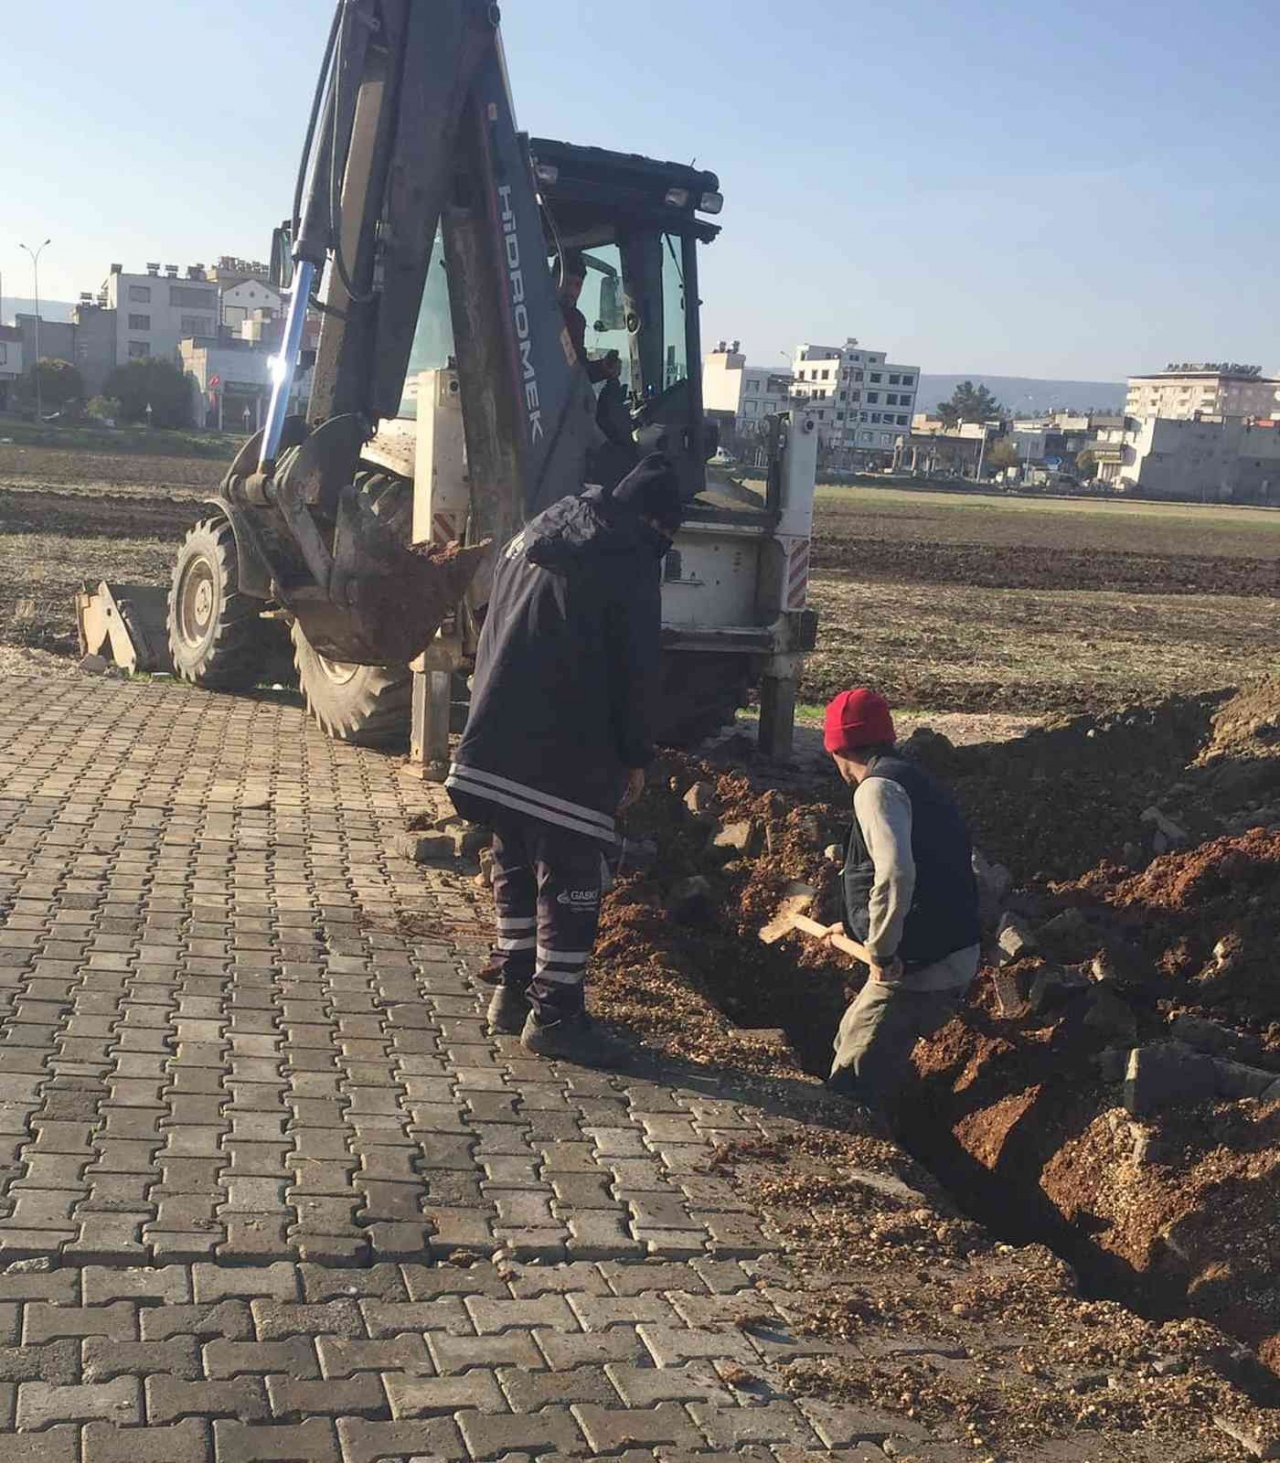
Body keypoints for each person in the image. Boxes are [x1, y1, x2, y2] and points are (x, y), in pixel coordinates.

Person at [446, 454, 683, 1064]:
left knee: (515, 858)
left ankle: (511, 992)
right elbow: (636, 670)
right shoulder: (627, 558)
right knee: (572, 876)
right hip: (564, 750)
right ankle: (556, 1015)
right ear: (656, 524)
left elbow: (491, 620)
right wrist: (634, 755)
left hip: (493, 736)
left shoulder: (540, 530)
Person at [822, 688, 981, 1117]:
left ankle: (860, 1161)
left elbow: (896, 874)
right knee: (847, 1037)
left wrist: (881, 949)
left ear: (836, 748)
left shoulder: (876, 791)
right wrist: (855, 927)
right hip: (947, 950)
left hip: (919, 968)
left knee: (851, 1078)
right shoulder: (911, 778)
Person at [558, 250, 621, 384]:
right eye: (567, 283)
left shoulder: (576, 321)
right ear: (554, 280)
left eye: (577, 285)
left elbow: (577, 370)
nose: (572, 291)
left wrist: (604, 368)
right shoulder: (535, 314)